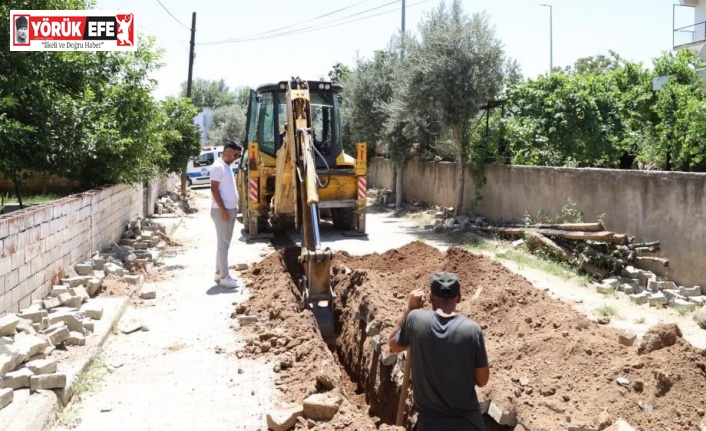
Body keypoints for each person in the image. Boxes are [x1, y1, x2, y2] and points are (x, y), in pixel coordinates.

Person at [388, 272, 490, 431]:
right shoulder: (472, 330)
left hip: (429, 425)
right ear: (459, 297)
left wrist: (409, 309)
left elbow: (394, 345)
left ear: (430, 297)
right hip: (469, 425)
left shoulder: (416, 319)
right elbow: (482, 380)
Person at [210, 141, 242, 288]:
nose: (236, 158)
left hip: (229, 209)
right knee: (224, 245)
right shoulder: (218, 167)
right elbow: (214, 190)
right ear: (228, 151)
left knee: (222, 244)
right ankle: (225, 277)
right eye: (235, 154)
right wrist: (223, 209)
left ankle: (218, 272)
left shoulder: (226, 166)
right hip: (223, 210)